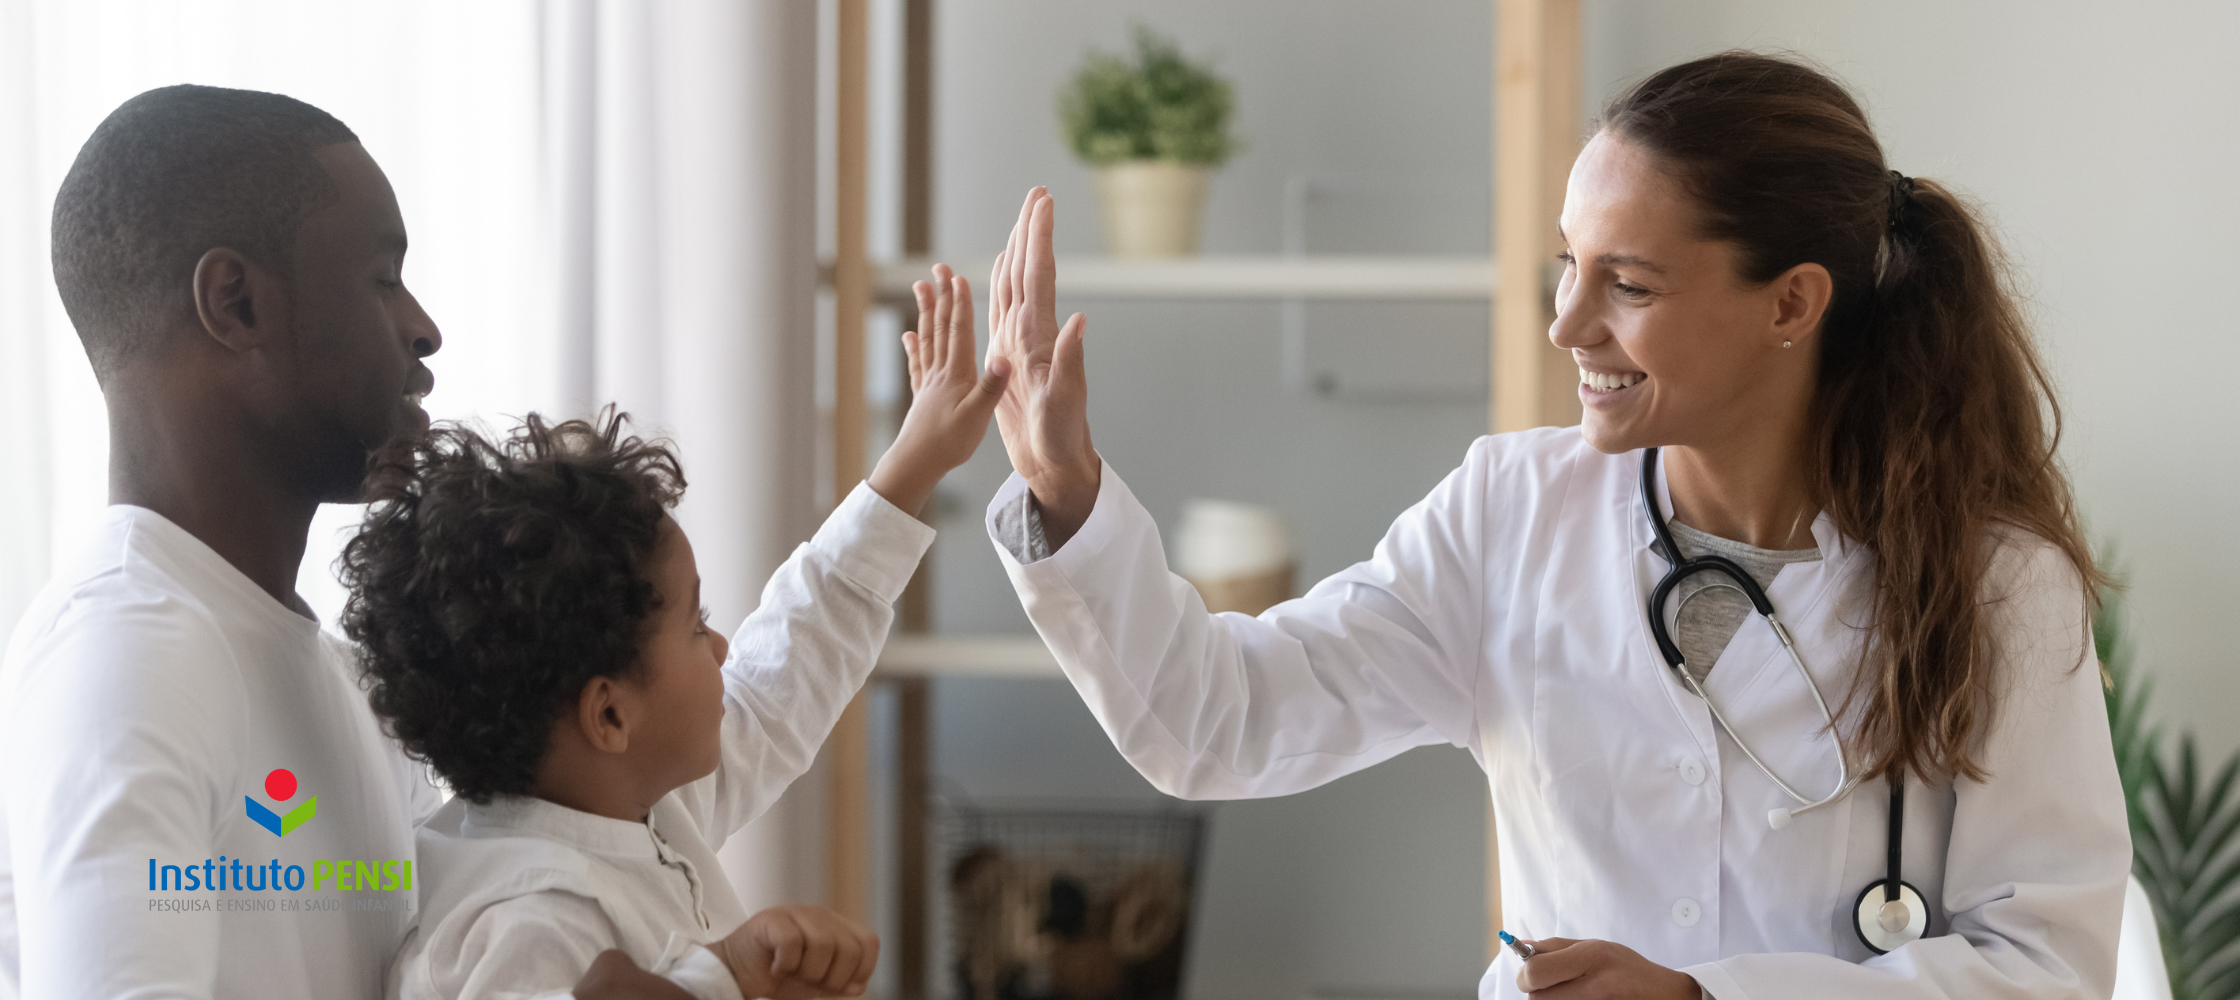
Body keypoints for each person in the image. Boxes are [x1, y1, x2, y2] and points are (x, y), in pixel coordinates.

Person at [979, 52, 2129, 1000]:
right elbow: (1214, 721)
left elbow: (2046, 966)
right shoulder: (1508, 515)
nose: (1565, 324)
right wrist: (1066, 495)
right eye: (1566, 267)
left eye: (1626, 284)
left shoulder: (1995, 584)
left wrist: (1704, 998)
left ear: (1790, 302)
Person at [5, 85, 705, 1000]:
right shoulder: (128, 659)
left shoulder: (324, 670)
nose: (422, 326)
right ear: (236, 303)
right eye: (382, 277)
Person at [351, 269, 1003, 1000]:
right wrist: (723, 977)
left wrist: (916, 462)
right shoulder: (520, 919)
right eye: (696, 625)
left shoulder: (631, 802)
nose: (723, 647)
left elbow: (788, 671)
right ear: (609, 714)